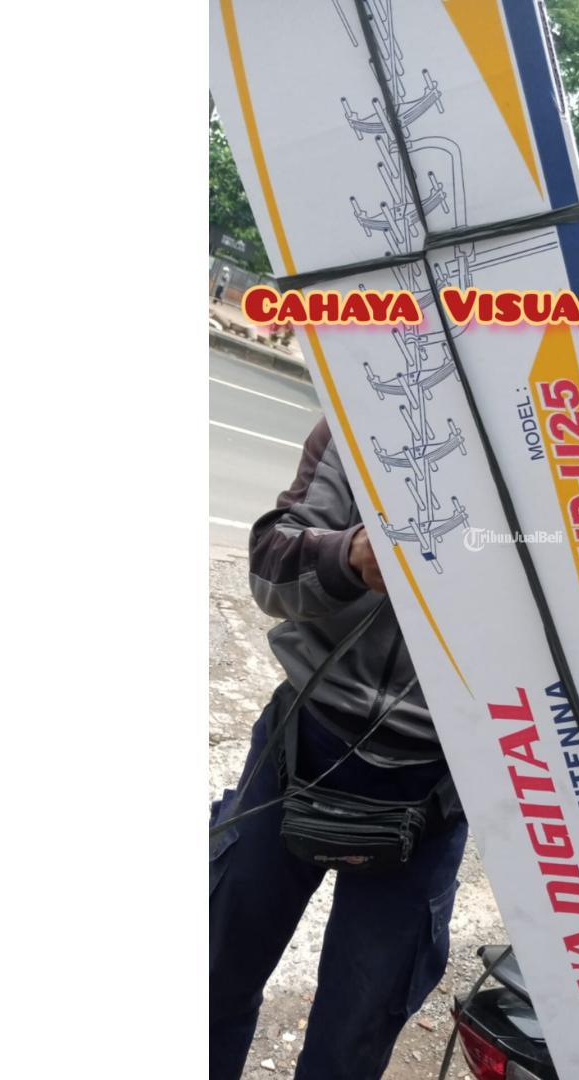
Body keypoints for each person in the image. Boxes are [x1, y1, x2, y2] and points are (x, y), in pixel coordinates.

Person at [209, 418, 467, 1080]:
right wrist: (347, 556)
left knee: (352, 1042)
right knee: (210, 980)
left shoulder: (574, 469)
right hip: (301, 745)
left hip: (436, 789)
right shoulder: (362, 414)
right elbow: (269, 568)